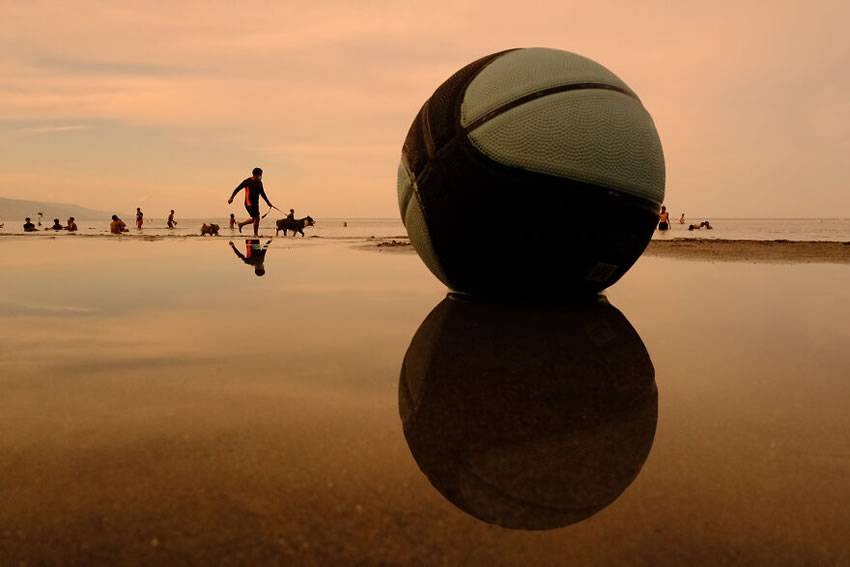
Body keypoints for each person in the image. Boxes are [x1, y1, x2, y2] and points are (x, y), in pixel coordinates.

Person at [227, 167, 275, 236]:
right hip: (249, 202)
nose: (261, 176)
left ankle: (241, 224)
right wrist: (231, 198)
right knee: (257, 218)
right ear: (255, 174)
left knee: (255, 219)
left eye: (261, 175)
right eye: (260, 175)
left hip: (256, 203)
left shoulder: (260, 183)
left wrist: (268, 202)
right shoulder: (247, 181)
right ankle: (256, 234)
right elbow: (237, 189)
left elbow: (262, 193)